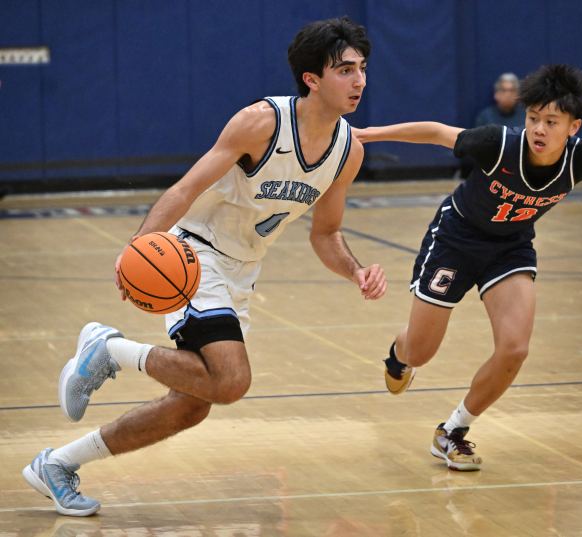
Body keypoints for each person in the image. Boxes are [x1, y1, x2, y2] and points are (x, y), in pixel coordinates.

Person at [23, 16, 386, 516]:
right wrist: (138, 248)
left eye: (362, 68)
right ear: (312, 79)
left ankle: (57, 465)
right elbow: (185, 189)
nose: (360, 80)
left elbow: (325, 233)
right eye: (345, 70)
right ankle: (109, 349)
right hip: (193, 255)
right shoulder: (261, 123)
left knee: (193, 404)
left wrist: (355, 271)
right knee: (232, 381)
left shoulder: (348, 152)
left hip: (242, 272)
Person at [353, 64, 582, 471]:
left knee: (515, 348)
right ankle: (398, 354)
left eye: (551, 121)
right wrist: (370, 134)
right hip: (456, 240)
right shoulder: (498, 144)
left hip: (509, 249)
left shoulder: (581, 159)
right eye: (533, 119)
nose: (539, 129)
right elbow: (436, 132)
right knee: (420, 352)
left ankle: (453, 431)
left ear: (573, 126)